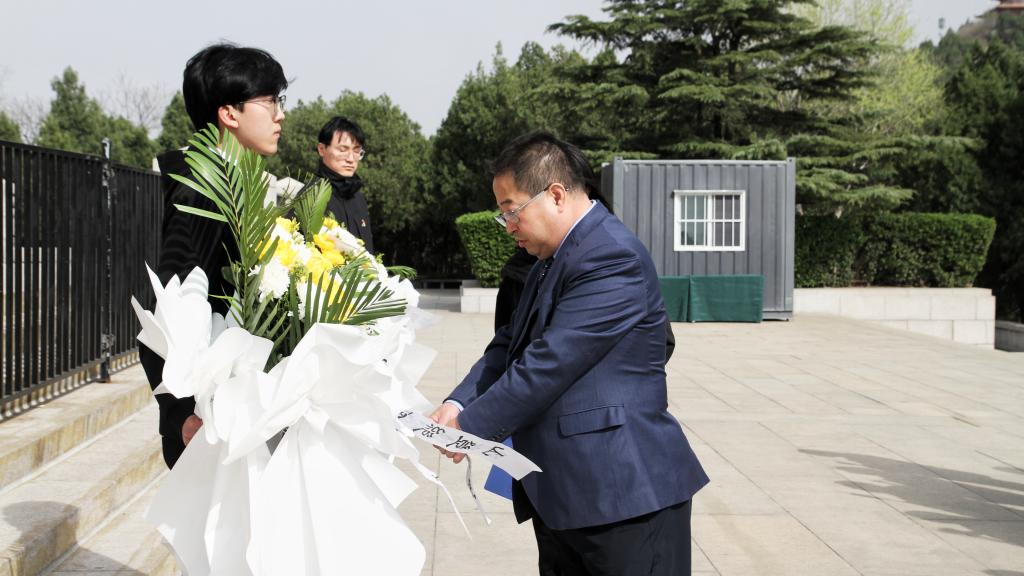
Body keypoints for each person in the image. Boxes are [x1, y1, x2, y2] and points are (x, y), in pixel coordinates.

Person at [432, 131, 708, 575]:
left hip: (623, 497)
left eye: (511, 211)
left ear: (556, 195)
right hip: (566, 496)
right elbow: (511, 343)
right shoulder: (553, 258)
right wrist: (458, 402)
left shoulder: (610, 256)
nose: (508, 226)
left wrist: (470, 427)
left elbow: (549, 363)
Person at [139, 43, 288, 468]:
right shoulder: (199, 190)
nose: (280, 114)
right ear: (229, 113)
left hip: (243, 412)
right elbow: (169, 310)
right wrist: (182, 416)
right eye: (270, 101)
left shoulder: (240, 182)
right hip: (210, 424)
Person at [316, 116, 374, 253]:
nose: (350, 159)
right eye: (343, 150)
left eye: (356, 151)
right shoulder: (313, 195)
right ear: (322, 149)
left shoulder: (357, 197)